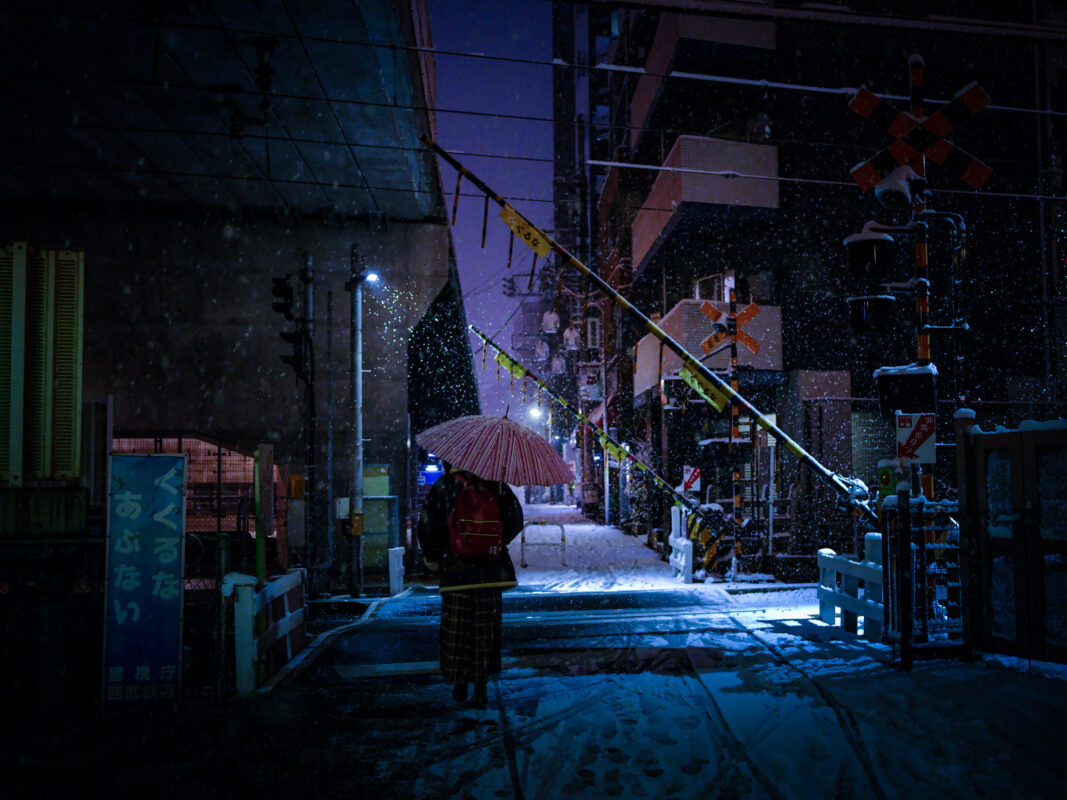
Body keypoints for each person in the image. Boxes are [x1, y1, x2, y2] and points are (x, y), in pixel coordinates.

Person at [417, 462, 523, 708]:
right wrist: (493, 543)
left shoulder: (444, 486)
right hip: (490, 573)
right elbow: (515, 520)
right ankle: (481, 686)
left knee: (458, 631)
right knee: (484, 631)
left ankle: (460, 680)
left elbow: (428, 526)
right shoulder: (496, 486)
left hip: (455, 575)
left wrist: (436, 556)